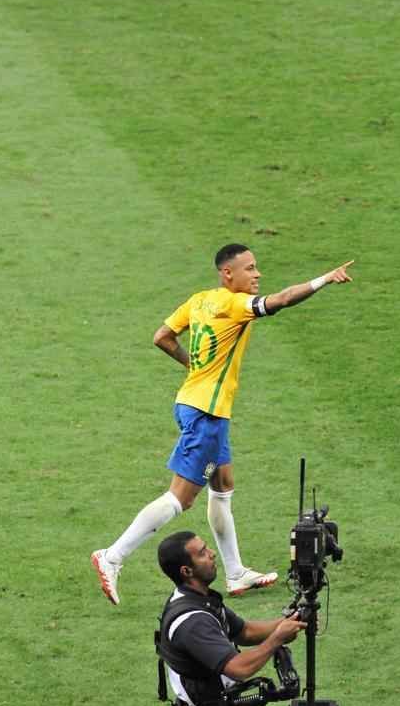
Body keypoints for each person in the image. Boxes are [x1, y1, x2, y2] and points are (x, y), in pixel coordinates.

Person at [92, 244, 354, 604]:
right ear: (227, 274)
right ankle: (112, 556)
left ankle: (235, 573)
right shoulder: (234, 305)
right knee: (179, 499)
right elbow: (281, 300)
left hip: (193, 403)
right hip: (207, 415)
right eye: (250, 268)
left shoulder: (199, 300)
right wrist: (324, 279)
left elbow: (162, 338)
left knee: (223, 484)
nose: (257, 274)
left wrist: (194, 368)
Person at [156, 531, 307, 706]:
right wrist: (277, 638)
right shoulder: (192, 622)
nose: (212, 553)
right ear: (186, 571)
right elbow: (239, 668)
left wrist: (293, 620)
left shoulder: (197, 599)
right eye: (202, 553)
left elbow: (244, 632)